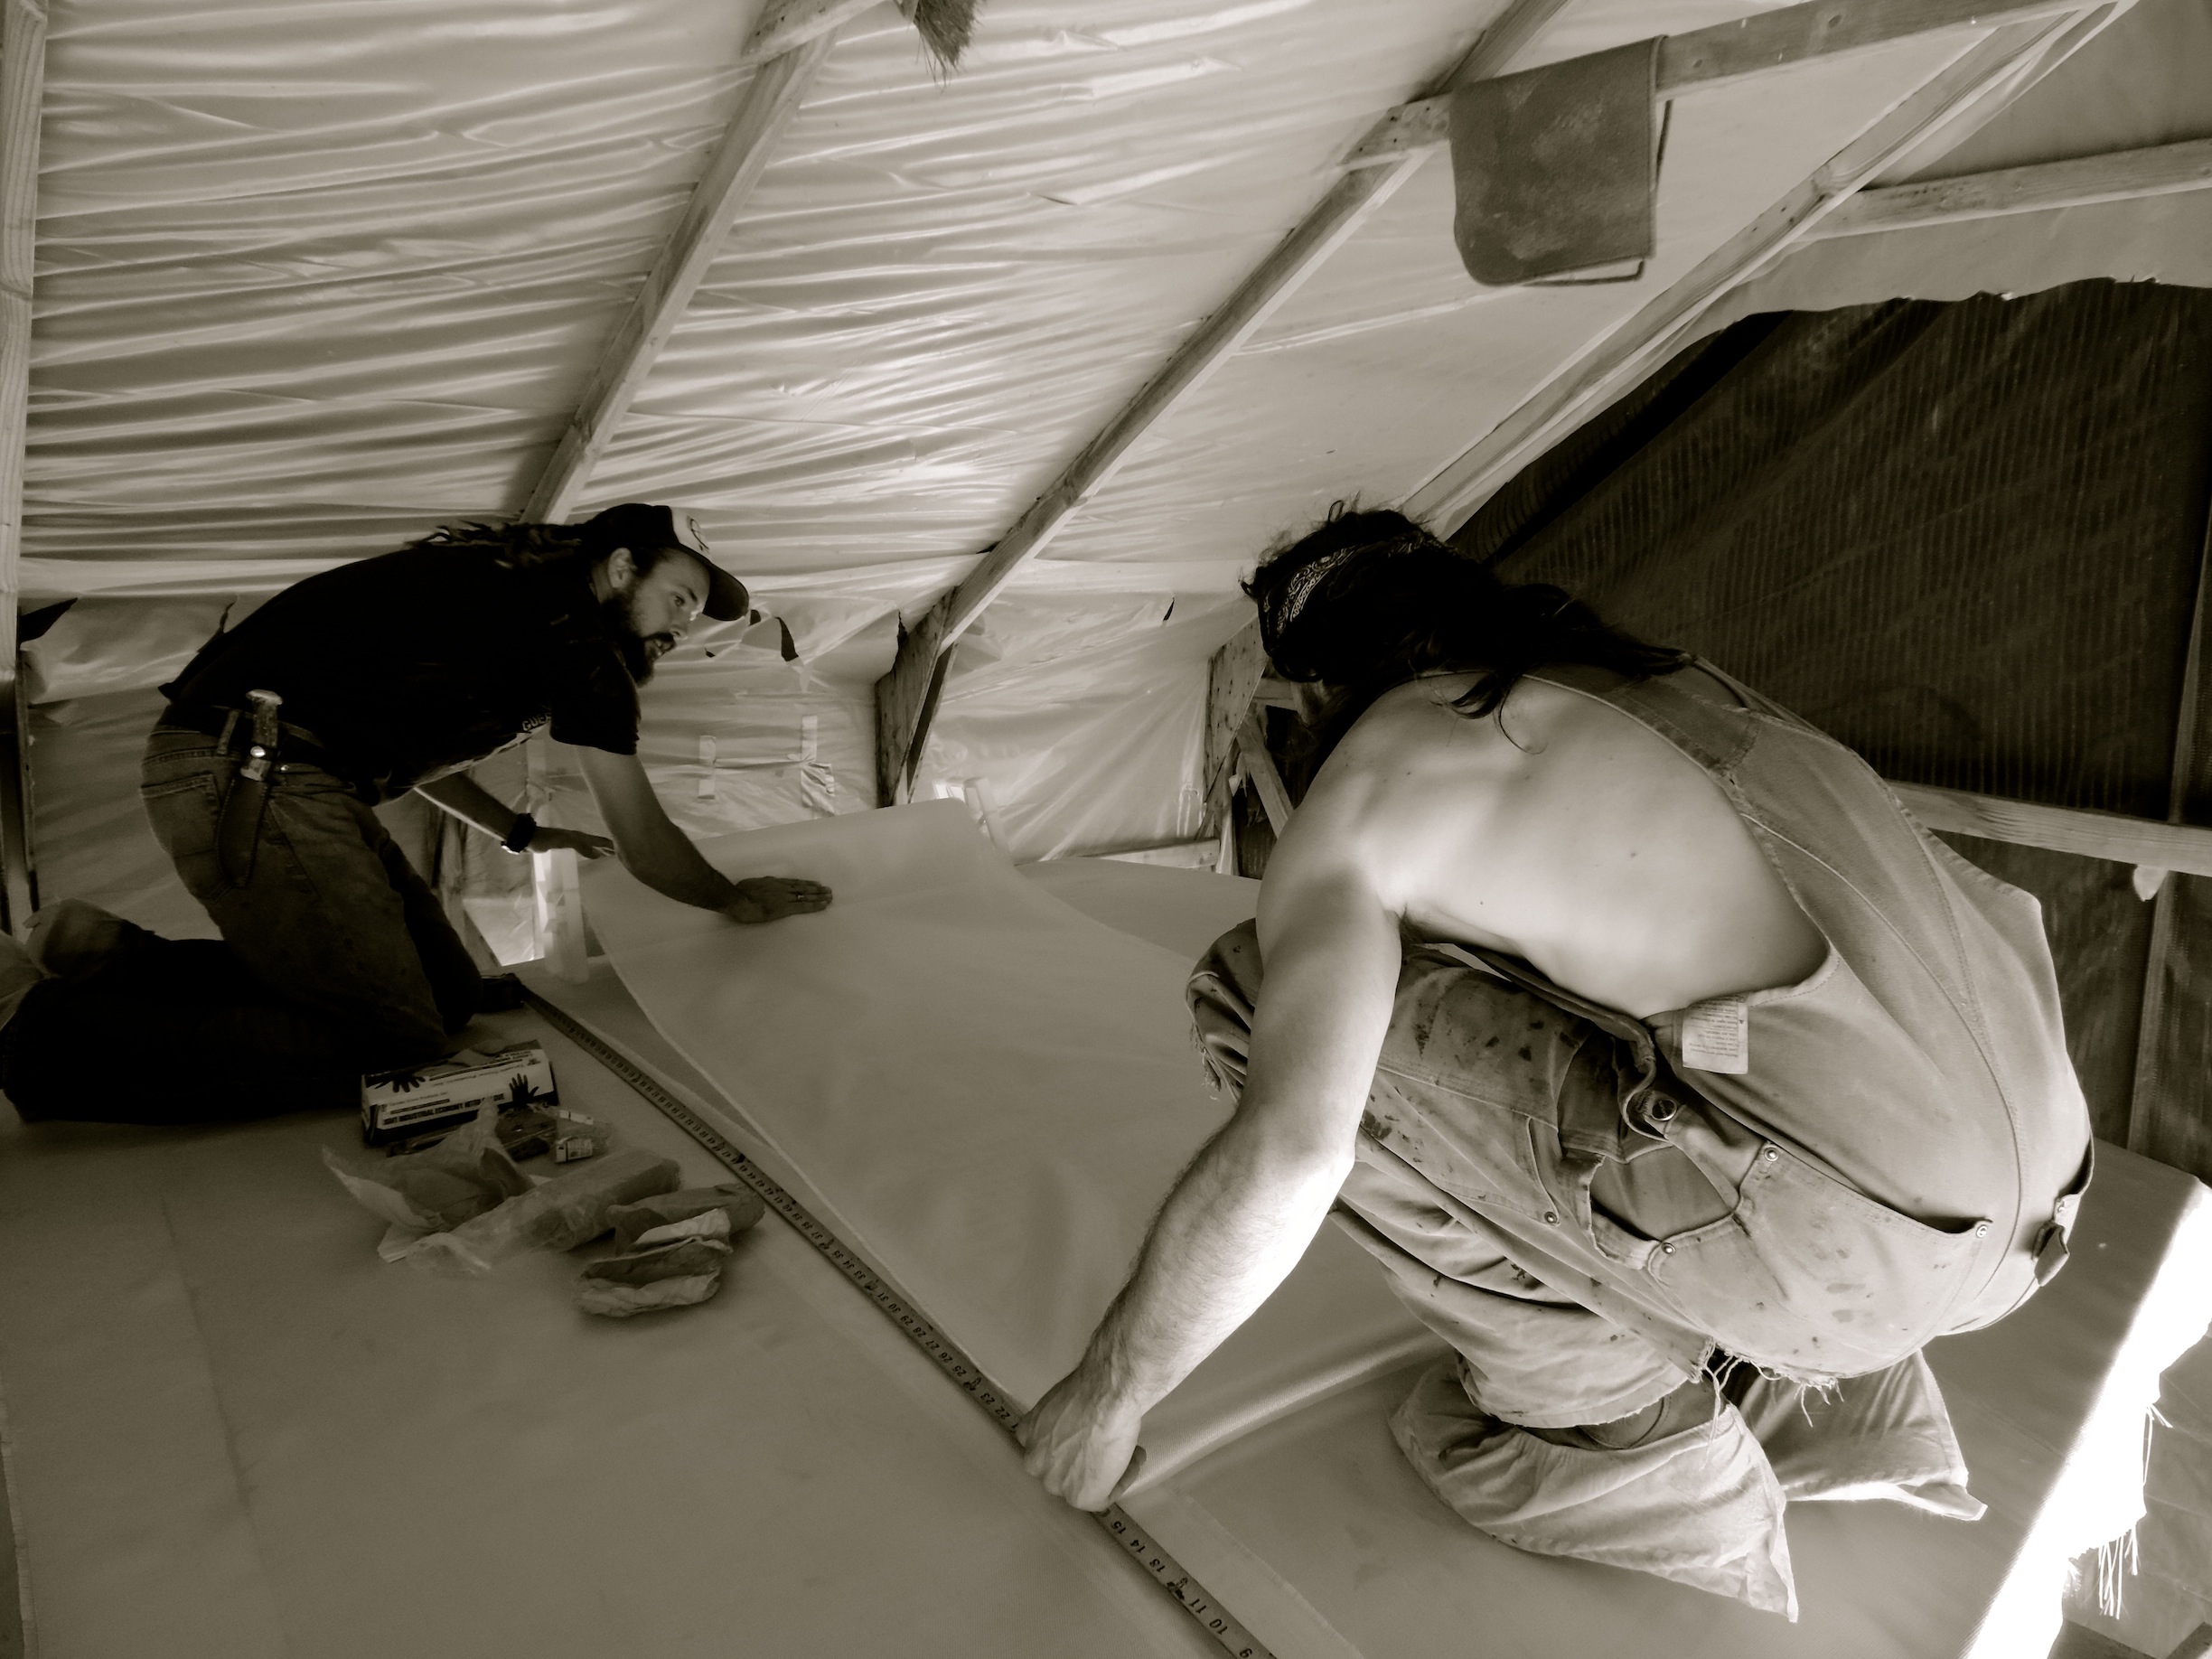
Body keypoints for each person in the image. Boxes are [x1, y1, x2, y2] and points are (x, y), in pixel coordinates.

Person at [1016, 510, 2091, 1613]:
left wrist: (1108, 1394)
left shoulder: (1374, 782)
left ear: (1324, 686)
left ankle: (1618, 1426)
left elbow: (1294, 1151)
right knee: (1609, 991)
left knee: (1261, 1000)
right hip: (2028, 1206)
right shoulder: (1670, 685)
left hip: (1854, 1249)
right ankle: (1827, 1395)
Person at [0, 503, 830, 1124]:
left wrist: (522, 832)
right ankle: (38, 1032)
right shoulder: (574, 635)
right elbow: (644, 841)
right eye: (679, 599)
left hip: (270, 767)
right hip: (254, 772)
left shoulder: (512, 600)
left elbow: (417, 758)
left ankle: (113, 962)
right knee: (392, 1041)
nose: (684, 627)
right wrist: (734, 899)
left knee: (449, 994)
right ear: (620, 569)